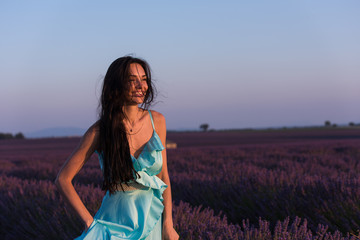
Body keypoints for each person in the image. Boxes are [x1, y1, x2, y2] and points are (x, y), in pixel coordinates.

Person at [55, 56, 179, 240]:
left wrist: (168, 224)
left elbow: (163, 177)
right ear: (116, 85)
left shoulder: (158, 121)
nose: (141, 86)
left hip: (152, 222)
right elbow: (63, 179)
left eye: (144, 79)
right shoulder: (100, 131)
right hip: (114, 226)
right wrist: (90, 223)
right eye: (132, 80)